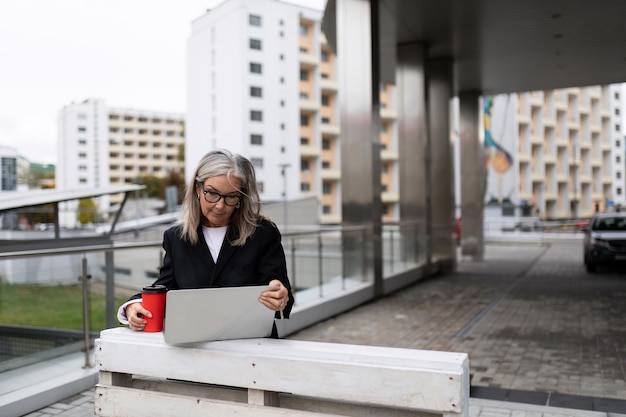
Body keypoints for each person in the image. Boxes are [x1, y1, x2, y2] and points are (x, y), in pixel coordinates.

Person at [117, 149, 294, 337]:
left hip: (252, 344)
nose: (220, 205)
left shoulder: (263, 233)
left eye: (231, 197)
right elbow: (166, 288)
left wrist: (280, 298)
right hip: (196, 344)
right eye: (212, 193)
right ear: (197, 188)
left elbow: (281, 296)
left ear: (241, 198)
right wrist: (133, 305)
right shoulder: (176, 237)